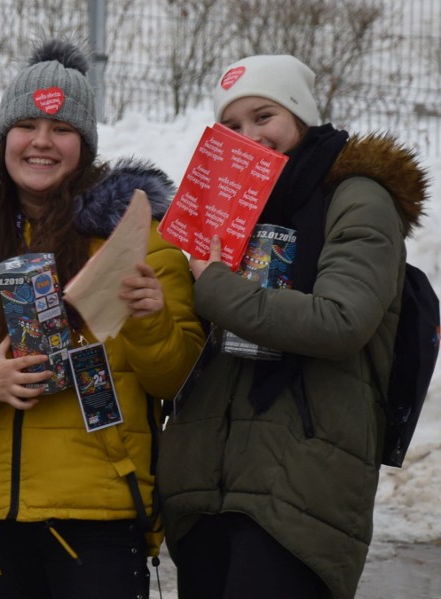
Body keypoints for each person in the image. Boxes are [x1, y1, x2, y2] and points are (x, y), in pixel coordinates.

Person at [0, 39, 205, 599]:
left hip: (99, 514)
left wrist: (148, 320)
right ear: (3, 140)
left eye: (61, 128)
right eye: (27, 125)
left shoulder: (139, 240)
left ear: (84, 145)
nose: (42, 141)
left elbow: (176, 378)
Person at [157, 54, 430, 599]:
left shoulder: (357, 197)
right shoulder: (224, 207)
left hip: (300, 492)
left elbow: (341, 319)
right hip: (208, 486)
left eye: (264, 117)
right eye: (231, 126)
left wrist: (214, 286)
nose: (249, 136)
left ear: (301, 117)